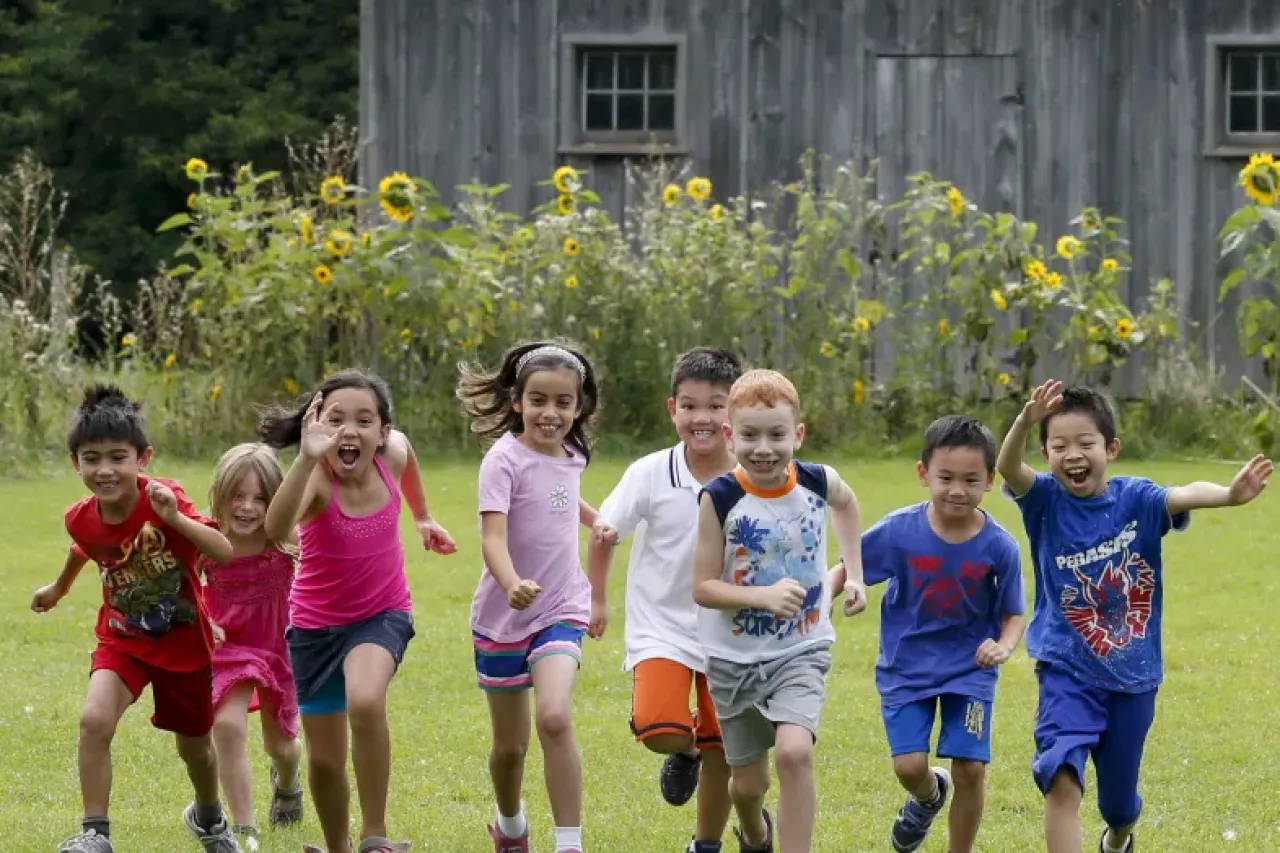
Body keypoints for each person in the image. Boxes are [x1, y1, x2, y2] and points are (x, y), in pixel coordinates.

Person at [996, 380, 1273, 853]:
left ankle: (1118, 837)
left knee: (1119, 805)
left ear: (1112, 449)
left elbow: (1183, 494)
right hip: (1066, 667)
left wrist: (1227, 495)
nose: (1073, 455)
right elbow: (1006, 466)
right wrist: (1023, 421)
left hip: (1133, 676)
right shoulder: (1044, 501)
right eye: (1059, 446)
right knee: (1061, 776)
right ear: (1045, 455)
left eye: (1086, 444)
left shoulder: (1136, 499)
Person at [32, 385, 243, 853]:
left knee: (194, 751)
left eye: (117, 457)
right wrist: (59, 588)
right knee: (93, 720)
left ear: (142, 458)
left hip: (184, 645)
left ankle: (208, 815)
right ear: (76, 463)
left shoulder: (165, 500)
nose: (104, 470)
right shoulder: (79, 517)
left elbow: (224, 552)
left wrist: (176, 519)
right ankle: (94, 834)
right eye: (91, 458)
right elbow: (86, 546)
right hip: (122, 640)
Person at [259, 369, 457, 853]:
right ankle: (339, 847)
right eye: (335, 420)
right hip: (314, 630)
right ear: (317, 425)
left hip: (382, 614)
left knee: (366, 701)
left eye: (364, 420)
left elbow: (408, 461)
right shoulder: (316, 481)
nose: (349, 431)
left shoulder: (394, 453)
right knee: (325, 762)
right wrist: (305, 459)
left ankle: (374, 836)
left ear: (382, 431)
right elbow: (276, 527)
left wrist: (423, 515)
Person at [692, 368, 868, 853]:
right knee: (748, 787)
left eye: (777, 434)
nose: (763, 448)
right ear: (730, 436)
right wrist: (761, 597)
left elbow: (848, 506)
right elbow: (702, 587)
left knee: (794, 754)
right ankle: (753, 830)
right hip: (734, 662)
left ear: (798, 434)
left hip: (801, 649)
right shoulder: (721, 498)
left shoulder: (817, 481)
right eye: (749, 435)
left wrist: (852, 572)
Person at [843, 415, 1026, 853]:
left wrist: (1002, 646)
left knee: (970, 769)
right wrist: (841, 588)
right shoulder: (899, 530)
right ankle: (927, 797)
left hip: (970, 671)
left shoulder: (1000, 547)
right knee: (909, 766)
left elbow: (1015, 614)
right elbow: (850, 564)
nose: (957, 490)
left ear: (989, 479)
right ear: (924, 474)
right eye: (945, 477)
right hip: (907, 667)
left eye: (970, 479)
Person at [456, 340, 611, 853]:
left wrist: (597, 521)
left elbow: (562, 497)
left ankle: (569, 844)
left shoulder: (573, 453)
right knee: (510, 748)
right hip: (502, 618)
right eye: (539, 400)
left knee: (554, 717)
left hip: (562, 607)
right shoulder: (503, 460)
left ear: (579, 406)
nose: (551, 412)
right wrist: (511, 583)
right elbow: (493, 538)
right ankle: (512, 826)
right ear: (517, 401)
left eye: (563, 402)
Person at [586, 347, 743, 853]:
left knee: (727, 746)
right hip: (662, 629)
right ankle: (687, 753)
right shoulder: (650, 472)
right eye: (691, 405)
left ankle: (706, 843)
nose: (703, 418)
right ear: (671, 409)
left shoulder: (755, 474)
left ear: (735, 412)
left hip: (733, 631)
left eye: (717, 406)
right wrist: (597, 601)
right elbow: (605, 532)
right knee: (659, 729)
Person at [202, 443, 305, 851]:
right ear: (220, 494)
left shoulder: (283, 539)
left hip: (280, 646)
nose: (247, 507)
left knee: (280, 745)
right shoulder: (207, 539)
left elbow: (326, 562)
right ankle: (243, 829)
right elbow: (181, 587)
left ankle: (288, 782)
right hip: (228, 646)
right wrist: (204, 620)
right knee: (226, 726)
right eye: (237, 496)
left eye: (260, 498)